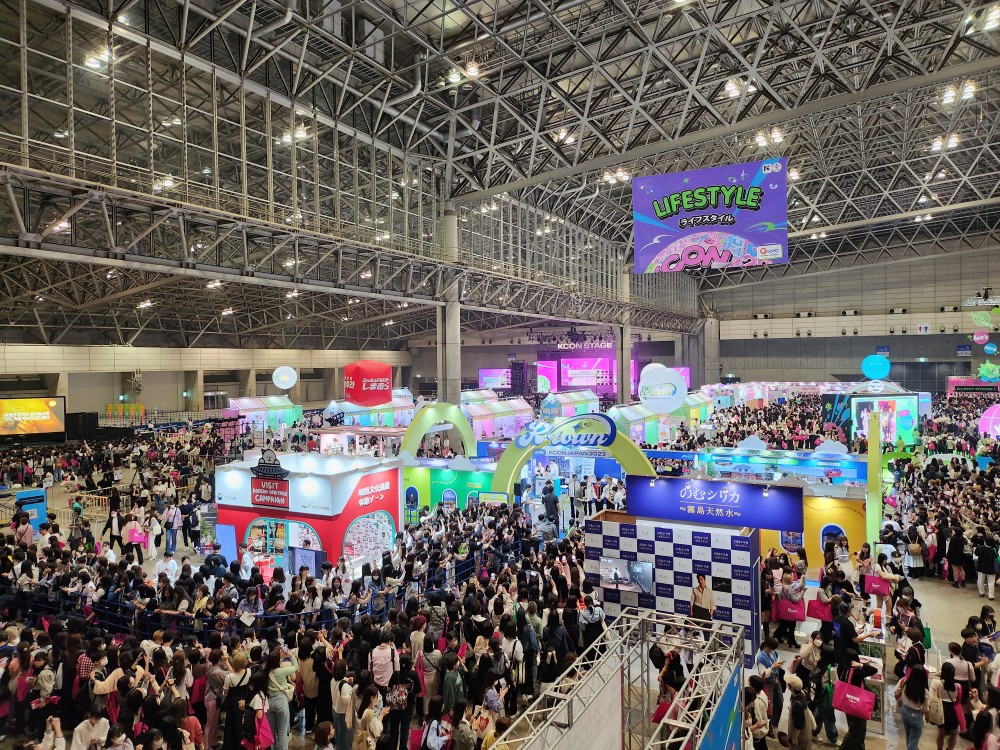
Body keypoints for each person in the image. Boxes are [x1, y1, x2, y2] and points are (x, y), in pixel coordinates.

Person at [838, 648, 877, 750]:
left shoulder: (843, 669)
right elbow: (874, 670)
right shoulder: (856, 672)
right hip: (858, 705)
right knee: (855, 731)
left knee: (857, 730)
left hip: (848, 703)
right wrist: (861, 665)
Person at [894, 663, 930, 750]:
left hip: (904, 711)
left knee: (909, 736)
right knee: (913, 741)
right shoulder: (925, 692)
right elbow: (925, 709)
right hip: (916, 715)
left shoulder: (905, 683)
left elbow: (896, 691)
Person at [756, 638, 785, 734]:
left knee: (780, 702)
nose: (773, 651)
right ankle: (769, 729)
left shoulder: (774, 652)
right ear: (767, 647)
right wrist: (772, 667)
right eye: (772, 649)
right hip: (767, 683)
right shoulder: (761, 658)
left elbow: (777, 659)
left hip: (776, 680)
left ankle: (774, 723)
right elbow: (763, 674)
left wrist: (779, 664)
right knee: (769, 707)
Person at [933, 662, 963, 750]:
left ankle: (939, 748)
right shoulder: (958, 686)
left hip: (942, 709)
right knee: (954, 734)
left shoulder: (938, 684)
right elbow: (959, 700)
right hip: (953, 711)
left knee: (941, 733)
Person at [784, 673, 814, 750]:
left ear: (791, 688)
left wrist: (793, 738)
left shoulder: (797, 705)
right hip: (807, 732)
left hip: (800, 738)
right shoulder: (802, 694)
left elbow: (799, 726)